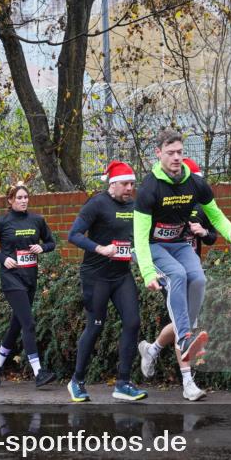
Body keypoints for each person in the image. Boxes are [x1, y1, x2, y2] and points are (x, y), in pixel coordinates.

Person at [133, 129, 231, 383]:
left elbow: (215, 214)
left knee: (198, 278)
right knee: (177, 274)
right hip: (154, 246)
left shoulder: (194, 183)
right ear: (159, 153)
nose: (176, 158)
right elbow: (139, 236)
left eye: (180, 153)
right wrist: (147, 272)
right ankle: (185, 338)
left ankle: (180, 334)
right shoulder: (149, 188)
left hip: (179, 244)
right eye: (171, 153)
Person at [66, 162, 147, 402]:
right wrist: (100, 248)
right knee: (96, 326)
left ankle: (122, 383)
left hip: (121, 275)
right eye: (125, 183)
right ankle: (77, 381)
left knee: (133, 322)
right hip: (96, 276)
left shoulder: (134, 205)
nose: (129, 188)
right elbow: (74, 235)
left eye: (132, 184)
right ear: (112, 184)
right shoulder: (97, 204)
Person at [137, 157, 217, 401]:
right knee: (185, 325)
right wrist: (148, 269)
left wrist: (202, 232)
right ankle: (188, 382)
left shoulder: (200, 207)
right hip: (170, 269)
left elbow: (212, 236)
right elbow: (145, 233)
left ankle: (152, 349)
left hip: (190, 265)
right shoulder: (166, 202)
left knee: (185, 322)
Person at [0, 183, 57, 388]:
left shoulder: (37, 220)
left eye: (26, 197)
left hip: (30, 278)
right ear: (10, 200)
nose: (24, 200)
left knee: (17, 325)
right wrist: (3, 259)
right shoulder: (2, 222)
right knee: (29, 324)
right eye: (19, 197)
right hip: (11, 278)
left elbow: (52, 242)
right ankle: (38, 372)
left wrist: (42, 247)